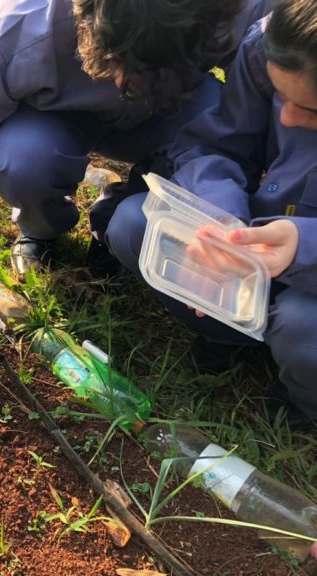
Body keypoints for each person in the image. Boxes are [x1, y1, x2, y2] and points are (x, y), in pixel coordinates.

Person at [0, 0, 272, 346]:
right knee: (23, 160)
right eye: (119, 62)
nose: (125, 84)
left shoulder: (233, 11)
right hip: (55, 118)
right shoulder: (23, 25)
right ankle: (41, 229)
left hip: (171, 111)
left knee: (216, 126)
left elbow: (278, 70)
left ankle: (117, 218)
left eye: (149, 68)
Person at [105, 0, 317, 425]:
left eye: (312, 110)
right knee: (135, 225)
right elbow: (219, 144)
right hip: (252, 234)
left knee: (301, 329)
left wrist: (305, 246)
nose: (288, 119)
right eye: (280, 97)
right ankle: (228, 330)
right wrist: (219, 216)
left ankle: (304, 400)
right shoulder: (270, 44)